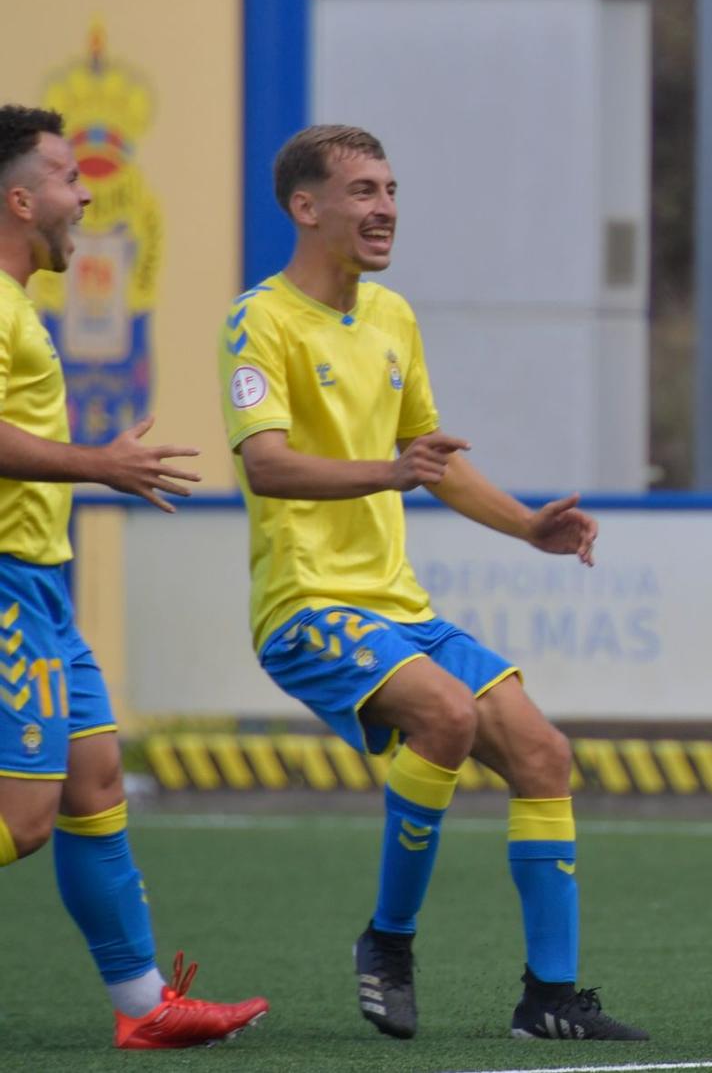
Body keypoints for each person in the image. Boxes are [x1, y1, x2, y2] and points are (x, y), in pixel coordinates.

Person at [218, 124, 644, 1042]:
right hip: (307, 604)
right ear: (306, 207)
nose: (387, 210)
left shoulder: (392, 317)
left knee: (542, 754)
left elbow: (432, 462)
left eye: (393, 190)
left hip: (395, 606)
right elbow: (268, 467)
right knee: (446, 715)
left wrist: (529, 525)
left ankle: (550, 1000)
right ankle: (389, 942)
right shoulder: (259, 320)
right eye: (365, 191)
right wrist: (388, 470)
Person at [0, 104, 270, 1049]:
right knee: (24, 821)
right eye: (71, 177)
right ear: (22, 197)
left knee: (95, 778)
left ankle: (145, 1007)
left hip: (40, 584)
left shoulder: (20, 306)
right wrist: (96, 463)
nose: (85, 194)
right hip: (4, 585)